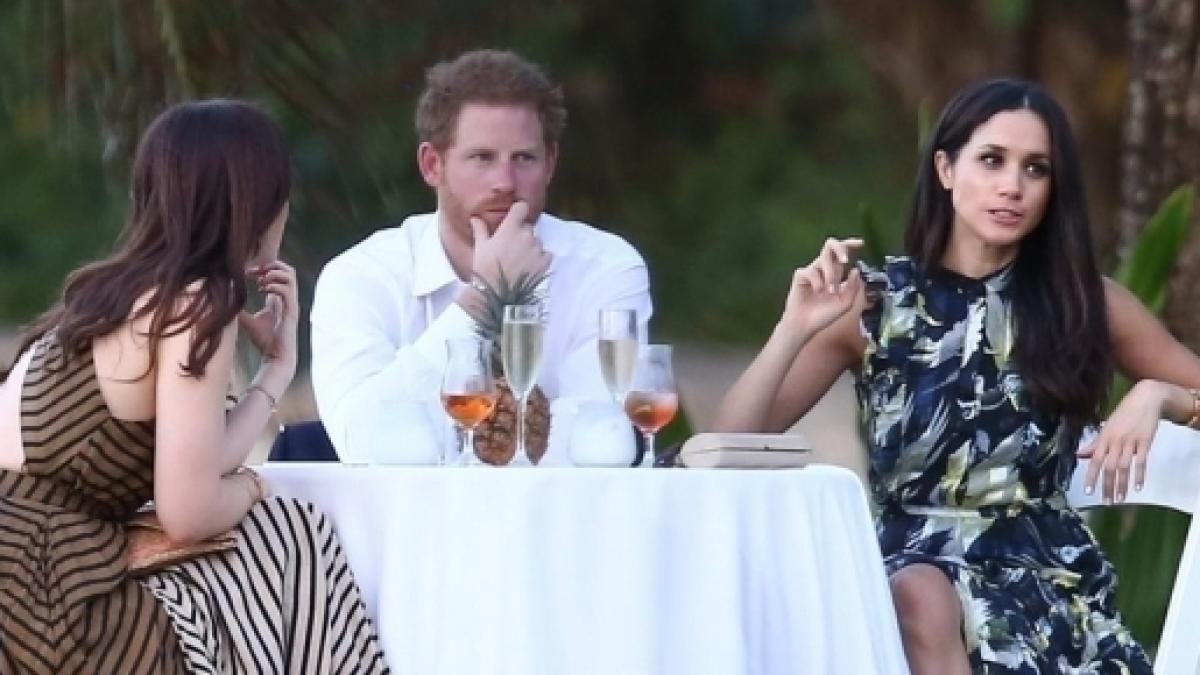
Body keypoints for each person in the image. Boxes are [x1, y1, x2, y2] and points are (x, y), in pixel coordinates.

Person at [712, 78, 1200, 673]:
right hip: (911, 578)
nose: (1012, 186)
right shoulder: (876, 304)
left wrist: (1159, 395)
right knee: (920, 594)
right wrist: (793, 329)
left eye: (1035, 168)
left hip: (1047, 593)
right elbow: (723, 449)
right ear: (945, 169)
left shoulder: (1083, 302)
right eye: (992, 160)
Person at [0, 100, 388, 673]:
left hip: (31, 567)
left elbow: (197, 467)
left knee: (279, 539)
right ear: (256, 203)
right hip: (42, 594)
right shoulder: (197, 302)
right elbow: (189, 511)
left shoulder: (113, 293)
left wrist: (274, 372)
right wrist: (254, 486)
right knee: (292, 535)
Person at [311, 49, 652, 463]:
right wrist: (483, 297)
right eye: (482, 158)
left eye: (524, 158)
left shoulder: (605, 267)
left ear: (550, 163)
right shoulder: (361, 276)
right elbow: (361, 443)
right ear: (432, 165)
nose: (504, 182)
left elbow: (598, 443)